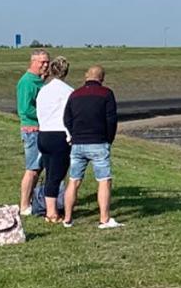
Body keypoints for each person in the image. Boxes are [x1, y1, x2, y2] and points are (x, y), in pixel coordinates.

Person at [62, 65, 122, 229]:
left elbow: (66, 118)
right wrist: (108, 140)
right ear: (102, 78)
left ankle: (67, 218)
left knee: (74, 180)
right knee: (104, 180)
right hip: (98, 142)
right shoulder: (106, 94)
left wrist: (74, 134)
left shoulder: (75, 94)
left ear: (86, 76)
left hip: (78, 143)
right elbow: (111, 120)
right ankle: (104, 218)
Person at [34, 57, 74, 222]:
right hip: (59, 134)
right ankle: (51, 212)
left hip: (44, 134)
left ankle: (52, 208)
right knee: (56, 175)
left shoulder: (44, 90)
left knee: (50, 171)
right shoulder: (69, 91)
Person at [16, 49, 50, 215]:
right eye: (42, 62)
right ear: (33, 62)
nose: (45, 65)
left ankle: (31, 199)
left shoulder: (38, 81)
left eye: (47, 62)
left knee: (38, 167)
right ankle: (23, 205)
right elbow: (24, 109)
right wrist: (44, 115)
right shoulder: (27, 82)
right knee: (32, 168)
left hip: (40, 129)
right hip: (32, 129)